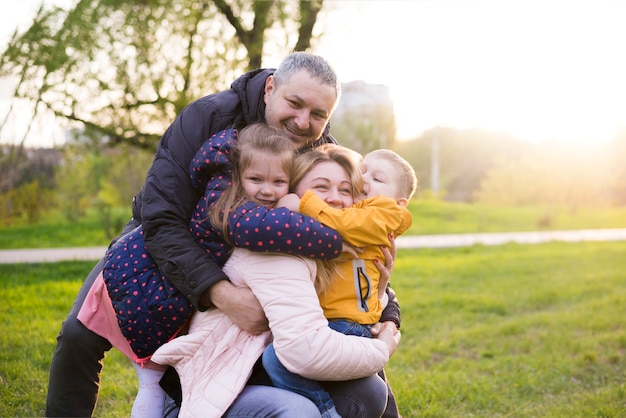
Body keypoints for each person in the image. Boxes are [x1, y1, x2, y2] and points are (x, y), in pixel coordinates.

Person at [45, 51, 401, 417]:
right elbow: (161, 217)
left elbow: (351, 230)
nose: (302, 121)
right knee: (78, 335)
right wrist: (218, 292)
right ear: (270, 89)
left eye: (317, 115)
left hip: (261, 253)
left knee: (353, 336)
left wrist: (384, 306)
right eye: (294, 104)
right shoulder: (209, 118)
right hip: (165, 236)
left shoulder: (319, 147)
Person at [78, 124, 344, 417]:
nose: (267, 191)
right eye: (256, 179)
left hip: (142, 282)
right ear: (238, 178)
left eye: (278, 182)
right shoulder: (232, 208)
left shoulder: (231, 193)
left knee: (155, 381)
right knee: (152, 383)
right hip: (147, 294)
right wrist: (335, 241)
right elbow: (264, 228)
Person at [151, 142, 400, 418]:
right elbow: (304, 351)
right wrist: (382, 348)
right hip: (218, 386)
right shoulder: (276, 245)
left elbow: (357, 302)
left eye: (346, 190)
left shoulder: (329, 247)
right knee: (300, 410)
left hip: (262, 370)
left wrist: (380, 292)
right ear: (292, 192)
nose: (335, 199)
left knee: (369, 391)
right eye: (320, 187)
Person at [261, 147, 417, 417]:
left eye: (378, 179)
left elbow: (344, 223)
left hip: (346, 324)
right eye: (363, 171)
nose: (365, 180)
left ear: (400, 202)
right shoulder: (359, 209)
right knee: (280, 359)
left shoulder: (385, 213)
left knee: (279, 358)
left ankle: (326, 410)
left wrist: (302, 203)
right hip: (335, 320)